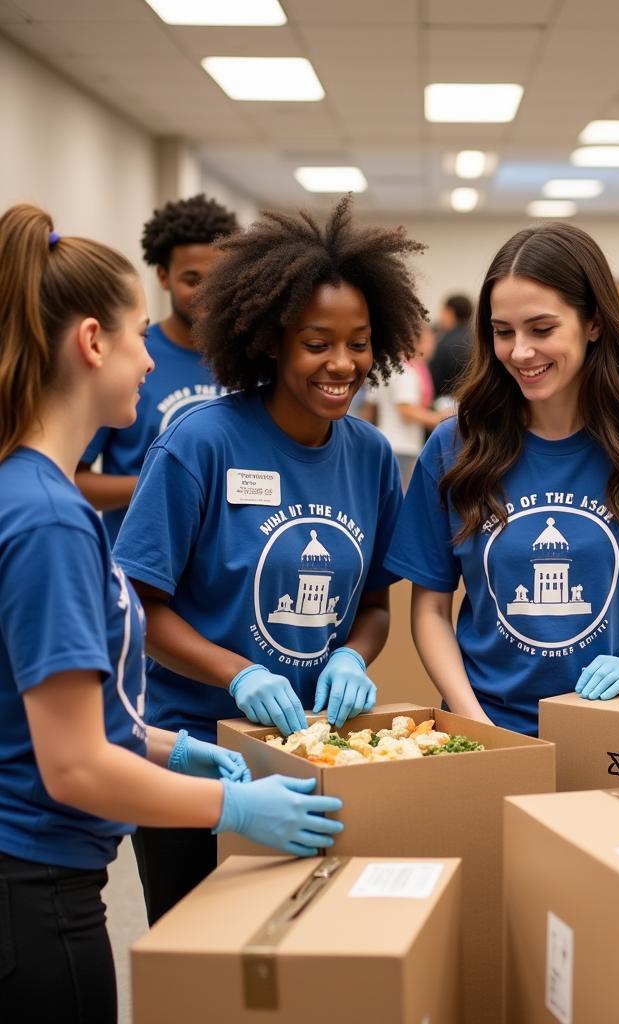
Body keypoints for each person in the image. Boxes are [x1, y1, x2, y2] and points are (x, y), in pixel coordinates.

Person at [0, 205, 342, 1022]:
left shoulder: (37, 494)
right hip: (37, 888)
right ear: (92, 343)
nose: (149, 362)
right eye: (135, 338)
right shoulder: (47, 517)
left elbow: (63, 707)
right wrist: (234, 809)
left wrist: (175, 747)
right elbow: (75, 764)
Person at [112, 197, 424, 924]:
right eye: (318, 342)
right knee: (200, 960)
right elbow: (135, 607)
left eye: (358, 342)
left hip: (310, 752)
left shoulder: (372, 456)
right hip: (196, 753)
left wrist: (353, 656)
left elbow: (376, 605)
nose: (342, 364)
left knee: (298, 962)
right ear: (271, 341)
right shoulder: (201, 442)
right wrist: (238, 671)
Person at [384, 223, 619, 736]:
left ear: (593, 322)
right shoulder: (455, 445)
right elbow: (431, 608)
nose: (521, 352)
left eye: (542, 329)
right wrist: (472, 720)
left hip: (612, 728)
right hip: (485, 726)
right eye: (503, 332)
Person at [75, 194, 238, 543]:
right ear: (163, 276)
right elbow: (74, 479)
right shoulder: (130, 358)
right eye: (192, 280)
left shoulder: (253, 361)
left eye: (218, 279)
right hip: (139, 564)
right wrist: (170, 482)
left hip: (225, 571)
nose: (207, 293)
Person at [363, 321, 451, 486]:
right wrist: (443, 419)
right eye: (429, 340)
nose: (433, 346)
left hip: (387, 442)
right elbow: (406, 410)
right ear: (414, 343)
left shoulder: (388, 368)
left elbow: (369, 408)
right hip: (402, 447)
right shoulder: (407, 372)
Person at [429, 292, 473, 400]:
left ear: (450, 313)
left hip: (449, 403)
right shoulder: (479, 338)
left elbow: (434, 380)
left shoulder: (443, 343)